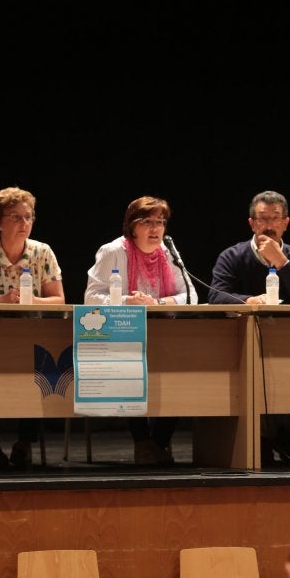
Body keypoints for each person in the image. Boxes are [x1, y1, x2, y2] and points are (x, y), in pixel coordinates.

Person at [208, 190, 290, 466]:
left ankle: (284, 437)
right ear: (251, 224)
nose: (269, 225)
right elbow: (214, 296)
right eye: (262, 219)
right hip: (242, 345)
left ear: (286, 223)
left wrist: (282, 262)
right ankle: (260, 440)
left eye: (275, 218)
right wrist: (248, 300)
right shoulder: (232, 256)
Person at [84, 195, 198, 466]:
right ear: (132, 227)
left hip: (165, 336)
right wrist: (128, 302)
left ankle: (157, 442)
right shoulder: (113, 251)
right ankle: (142, 442)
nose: (155, 229)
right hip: (123, 335)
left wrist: (158, 303)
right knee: (131, 369)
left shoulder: (168, 253)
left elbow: (191, 295)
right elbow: (91, 297)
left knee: (183, 373)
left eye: (160, 222)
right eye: (147, 222)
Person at [0, 186, 65, 468]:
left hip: (31, 335)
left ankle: (24, 442)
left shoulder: (42, 252)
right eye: (16, 217)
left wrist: (33, 300)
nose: (24, 223)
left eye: (28, 217)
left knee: (39, 376)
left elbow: (59, 299)